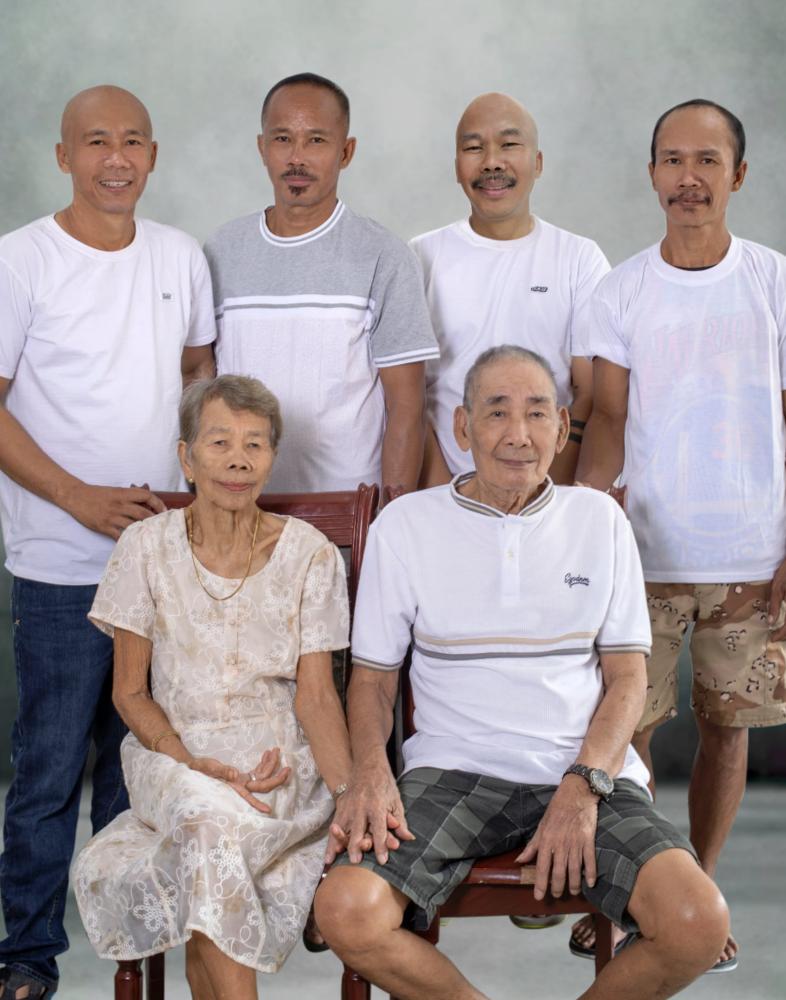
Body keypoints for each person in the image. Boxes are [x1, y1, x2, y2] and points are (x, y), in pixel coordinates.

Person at [314, 345, 729, 1000]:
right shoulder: (407, 525)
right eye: (496, 412)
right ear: (462, 427)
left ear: (562, 428)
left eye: (537, 413)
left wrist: (583, 785)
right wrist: (369, 771)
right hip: (452, 772)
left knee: (698, 924)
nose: (518, 434)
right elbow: (373, 680)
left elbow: (628, 680)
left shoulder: (600, 519)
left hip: (584, 771)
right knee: (346, 910)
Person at [0, 85, 215, 999]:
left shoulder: (179, 256)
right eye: (96, 142)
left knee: (141, 768)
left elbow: (201, 373)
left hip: (162, 565)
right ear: (64, 156)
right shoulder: (20, 260)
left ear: (153, 155)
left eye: (132, 141)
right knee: (50, 770)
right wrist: (77, 498)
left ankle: (135, 953)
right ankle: (27, 956)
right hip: (59, 564)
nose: (115, 159)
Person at [574, 98, 786, 973]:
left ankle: (702, 892)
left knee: (726, 730)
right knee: (628, 735)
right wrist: (591, 525)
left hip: (753, 555)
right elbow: (606, 420)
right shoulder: (620, 291)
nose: (688, 178)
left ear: (739, 174)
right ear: (652, 171)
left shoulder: (773, 282)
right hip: (644, 554)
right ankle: (634, 898)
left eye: (707, 161)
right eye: (672, 160)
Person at [73, 375, 352, 999]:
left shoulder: (310, 554)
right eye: (220, 441)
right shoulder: (144, 546)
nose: (238, 459)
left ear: (272, 458)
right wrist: (188, 759)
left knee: (203, 848)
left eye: (255, 444)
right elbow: (129, 693)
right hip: (173, 758)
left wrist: (346, 794)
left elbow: (316, 697)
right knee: (204, 824)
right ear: (186, 457)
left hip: (277, 766)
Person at [204, 72, 439, 498]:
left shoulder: (384, 256)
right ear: (261, 147)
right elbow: (202, 382)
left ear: (346, 151)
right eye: (282, 139)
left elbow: (406, 407)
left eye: (316, 140)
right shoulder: (222, 251)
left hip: (345, 511)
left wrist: (389, 518)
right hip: (240, 507)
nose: (297, 158)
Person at [411, 92, 609, 488]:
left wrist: (543, 493)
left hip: (551, 486)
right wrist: (445, 498)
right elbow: (408, 396)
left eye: (509, 144)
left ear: (538, 162)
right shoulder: (419, 257)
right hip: (446, 489)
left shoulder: (579, 258)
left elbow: (590, 392)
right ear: (456, 166)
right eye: (474, 148)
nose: (492, 162)